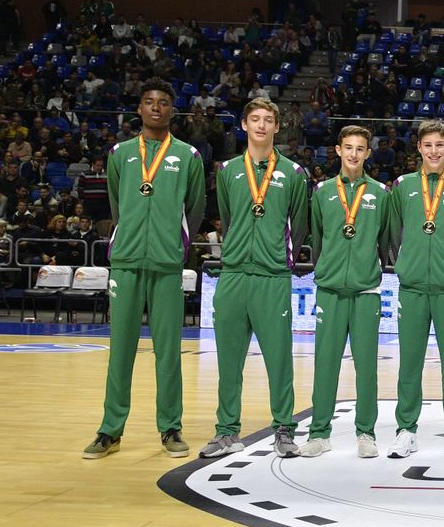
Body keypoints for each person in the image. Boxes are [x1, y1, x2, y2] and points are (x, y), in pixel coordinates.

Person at [82, 80, 206, 460]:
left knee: (168, 351)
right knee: (121, 349)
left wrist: (176, 245)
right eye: (149, 102)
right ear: (139, 109)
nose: (156, 108)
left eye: (164, 103)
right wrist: (130, 238)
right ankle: (110, 430)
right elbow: (118, 206)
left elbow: (196, 208)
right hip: (127, 262)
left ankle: (171, 428)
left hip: (167, 263)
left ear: (172, 111)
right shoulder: (120, 153)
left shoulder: (188, 155)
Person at [200, 99, 311, 459]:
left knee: (279, 359)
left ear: (277, 127)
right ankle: (226, 431)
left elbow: (299, 224)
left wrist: (281, 260)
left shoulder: (294, 173)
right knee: (229, 360)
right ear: (244, 125)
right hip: (232, 277)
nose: (261, 126)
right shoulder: (229, 170)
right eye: (255, 120)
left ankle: (283, 428)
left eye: (268, 120)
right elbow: (228, 220)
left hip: (272, 278)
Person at [381, 120, 444, 458]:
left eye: (440, 144)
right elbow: (394, 234)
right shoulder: (402, 186)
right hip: (412, 288)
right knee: (410, 362)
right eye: (428, 145)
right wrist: (406, 265)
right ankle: (406, 429)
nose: (434, 151)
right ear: (419, 148)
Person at [300, 125, 390, 459]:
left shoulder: (381, 193)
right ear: (337, 150)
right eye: (348, 147)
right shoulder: (323, 192)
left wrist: (368, 267)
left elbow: (385, 239)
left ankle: (366, 433)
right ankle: (319, 433)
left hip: (367, 291)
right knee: (325, 363)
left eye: (360, 148)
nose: (354, 154)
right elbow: (319, 238)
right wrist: (330, 269)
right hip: (330, 289)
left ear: (368, 153)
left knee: (366, 366)